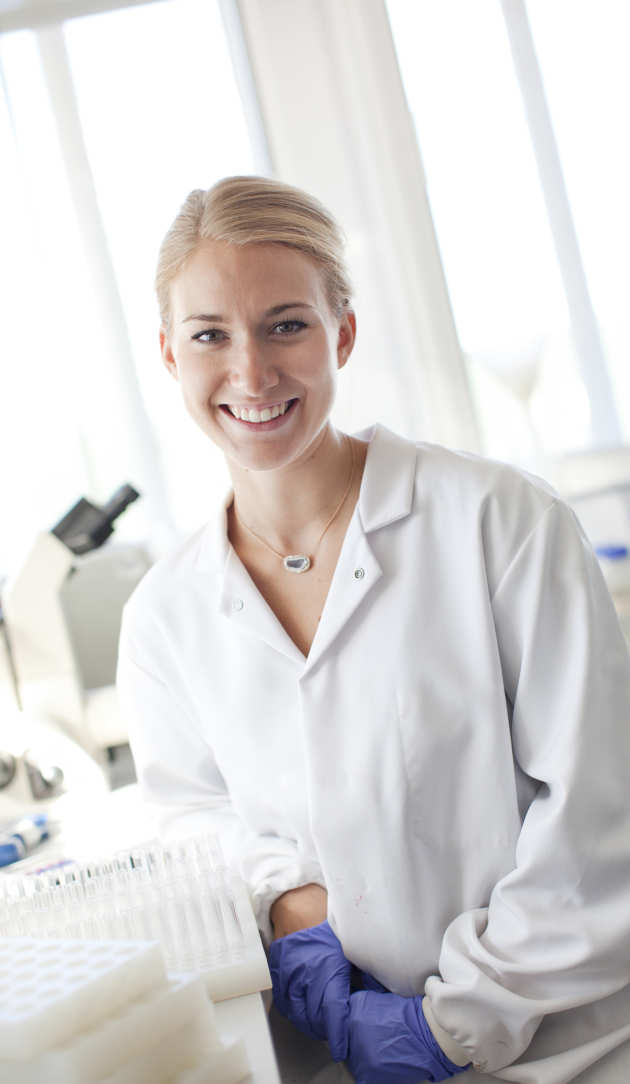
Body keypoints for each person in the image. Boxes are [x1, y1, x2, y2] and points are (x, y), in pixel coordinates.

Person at [117, 175, 630, 1084]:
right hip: (340, 1055)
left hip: (576, 1051)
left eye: (286, 324)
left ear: (341, 332)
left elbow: (598, 815)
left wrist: (455, 1023)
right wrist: (288, 903)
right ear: (168, 354)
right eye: (209, 336)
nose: (251, 372)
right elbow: (189, 820)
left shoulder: (498, 521)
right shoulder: (166, 615)